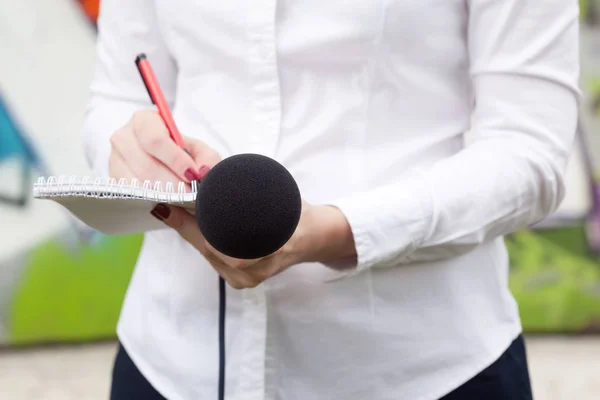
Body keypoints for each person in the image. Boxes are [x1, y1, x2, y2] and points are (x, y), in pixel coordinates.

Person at [83, 1, 580, 399]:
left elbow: (528, 151)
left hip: (422, 372)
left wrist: (341, 230)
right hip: (170, 362)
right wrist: (135, 153)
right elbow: (118, 99)